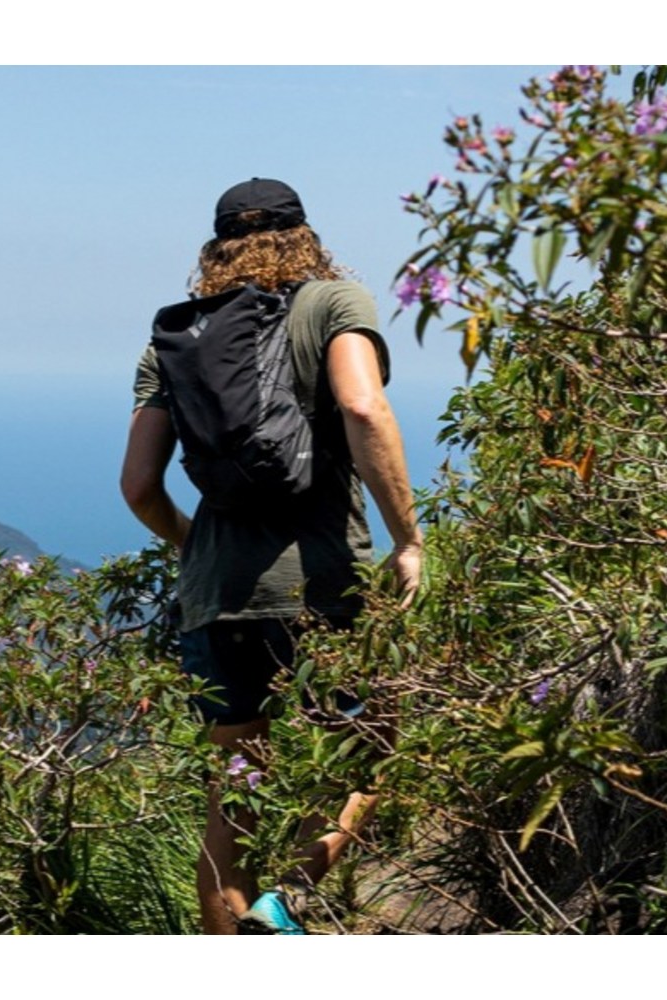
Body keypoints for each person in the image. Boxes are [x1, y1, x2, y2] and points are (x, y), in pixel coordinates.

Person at [120, 178, 422, 934]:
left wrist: (192, 546)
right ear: (307, 236)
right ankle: (282, 905)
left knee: (237, 795)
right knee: (372, 752)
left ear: (216, 248)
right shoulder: (333, 303)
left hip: (217, 600)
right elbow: (361, 405)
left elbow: (138, 486)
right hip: (319, 589)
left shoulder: (177, 339)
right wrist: (407, 538)